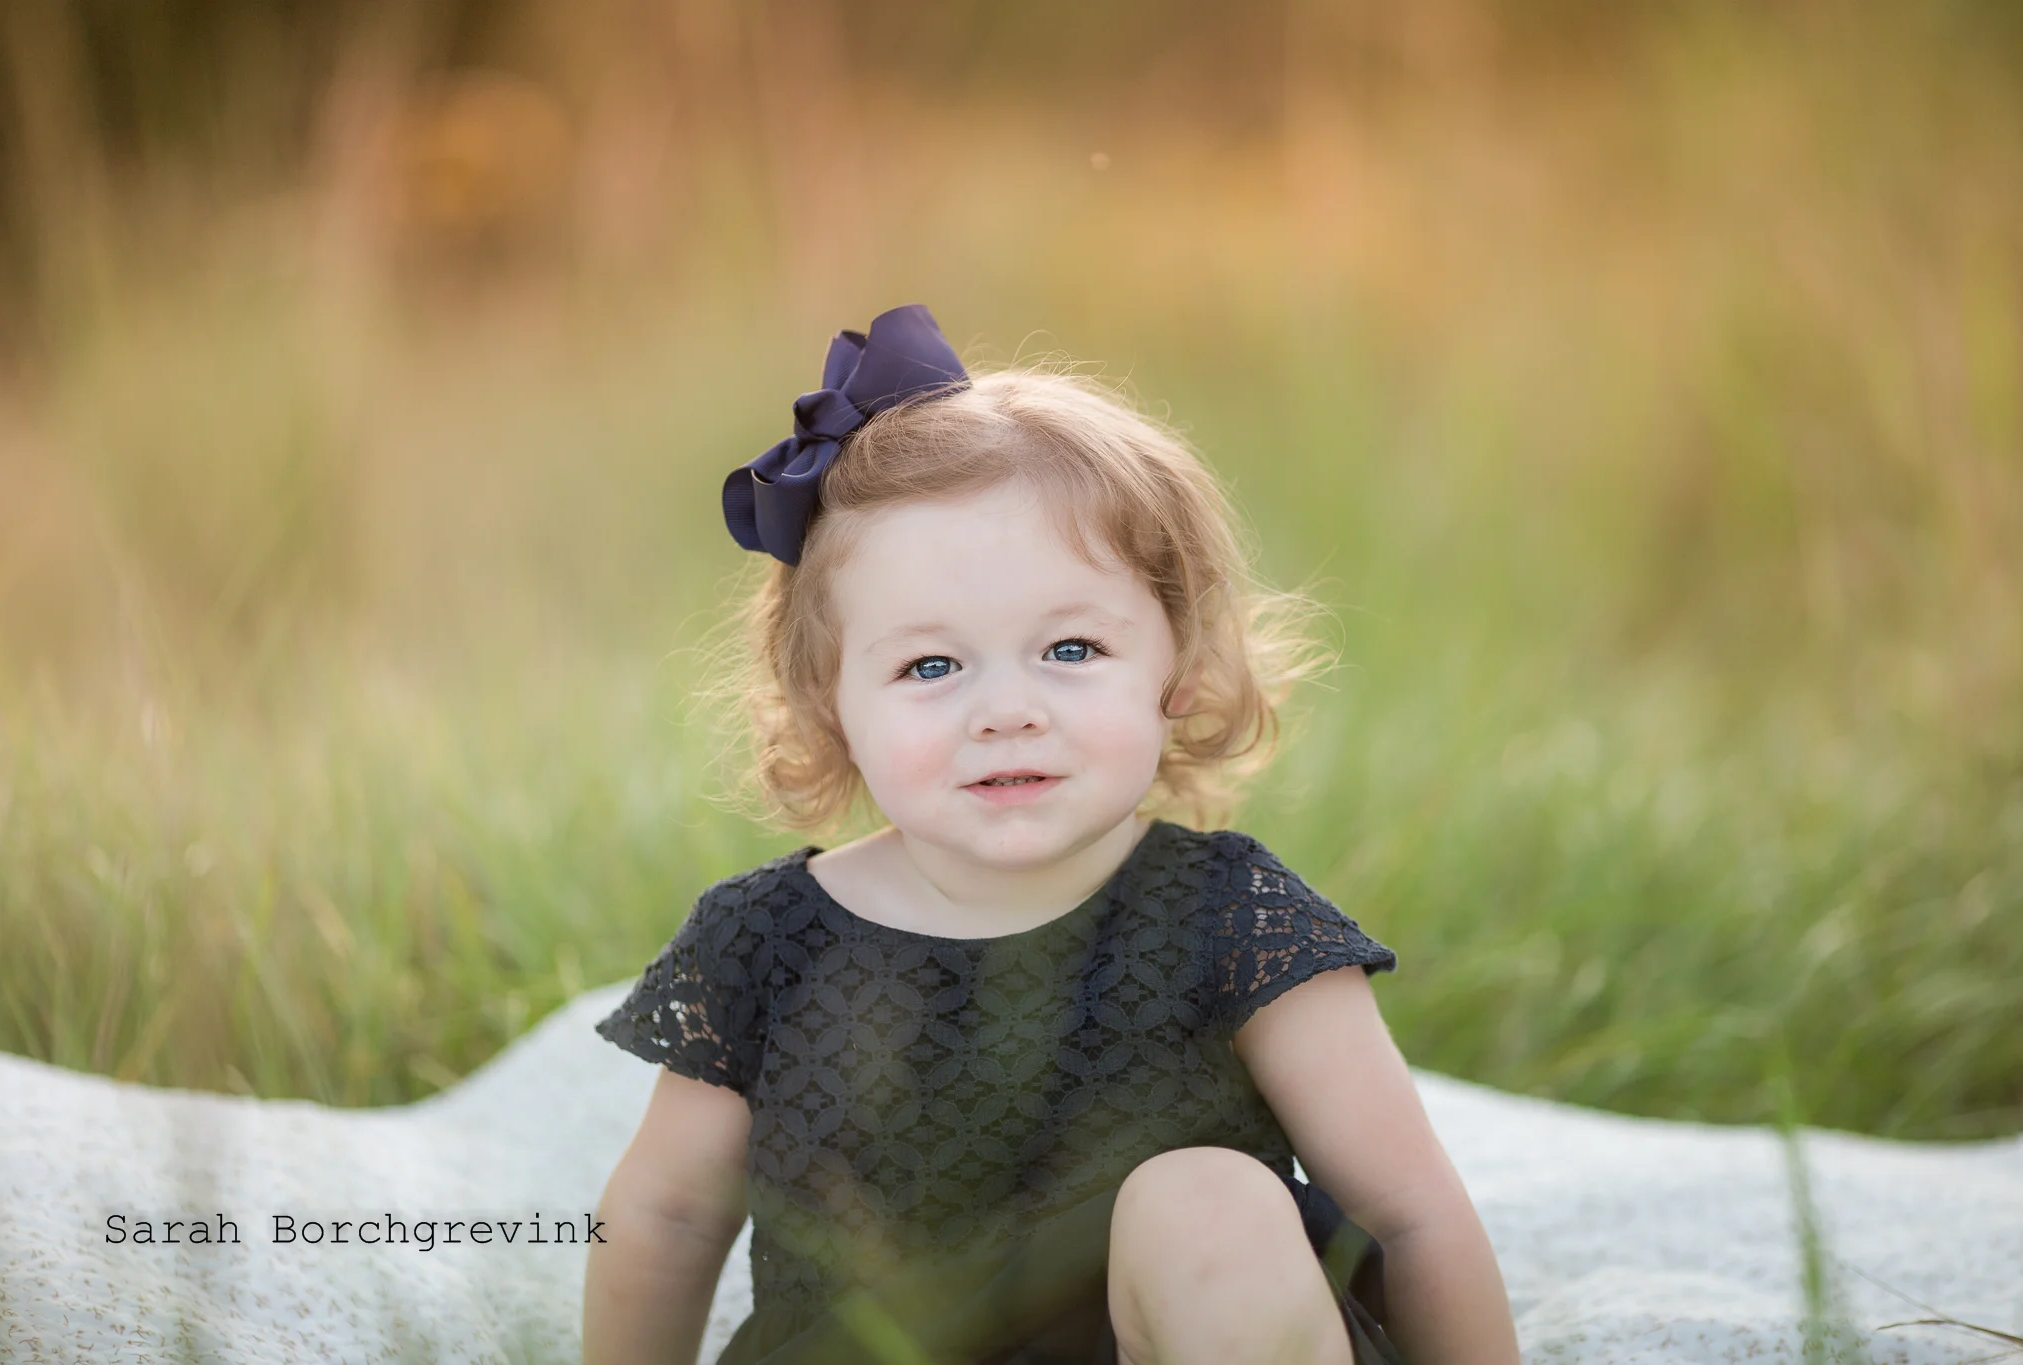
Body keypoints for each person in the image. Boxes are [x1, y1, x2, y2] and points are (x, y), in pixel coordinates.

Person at [582, 305, 1518, 1365]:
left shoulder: (1228, 918)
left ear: (1177, 664)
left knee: (1208, 1200)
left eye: (1070, 649)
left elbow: (1412, 1216)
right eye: (931, 666)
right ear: (830, 704)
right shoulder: (761, 942)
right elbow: (664, 1217)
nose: (1006, 711)